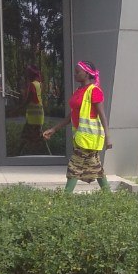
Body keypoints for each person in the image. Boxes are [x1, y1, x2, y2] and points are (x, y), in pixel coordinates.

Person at [42, 60, 113, 192]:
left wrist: (108, 137)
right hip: (82, 137)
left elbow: (102, 115)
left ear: (86, 74)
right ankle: (108, 194)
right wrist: (54, 129)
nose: (74, 74)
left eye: (77, 72)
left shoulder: (94, 91)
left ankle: (66, 196)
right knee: (95, 167)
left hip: (89, 138)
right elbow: (72, 114)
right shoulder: (79, 90)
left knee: (74, 166)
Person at [18, 64, 47, 155]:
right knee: (33, 137)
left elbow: (31, 99)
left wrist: (19, 107)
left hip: (33, 118)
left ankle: (19, 155)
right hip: (38, 116)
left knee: (27, 137)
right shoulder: (40, 84)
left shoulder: (32, 85)